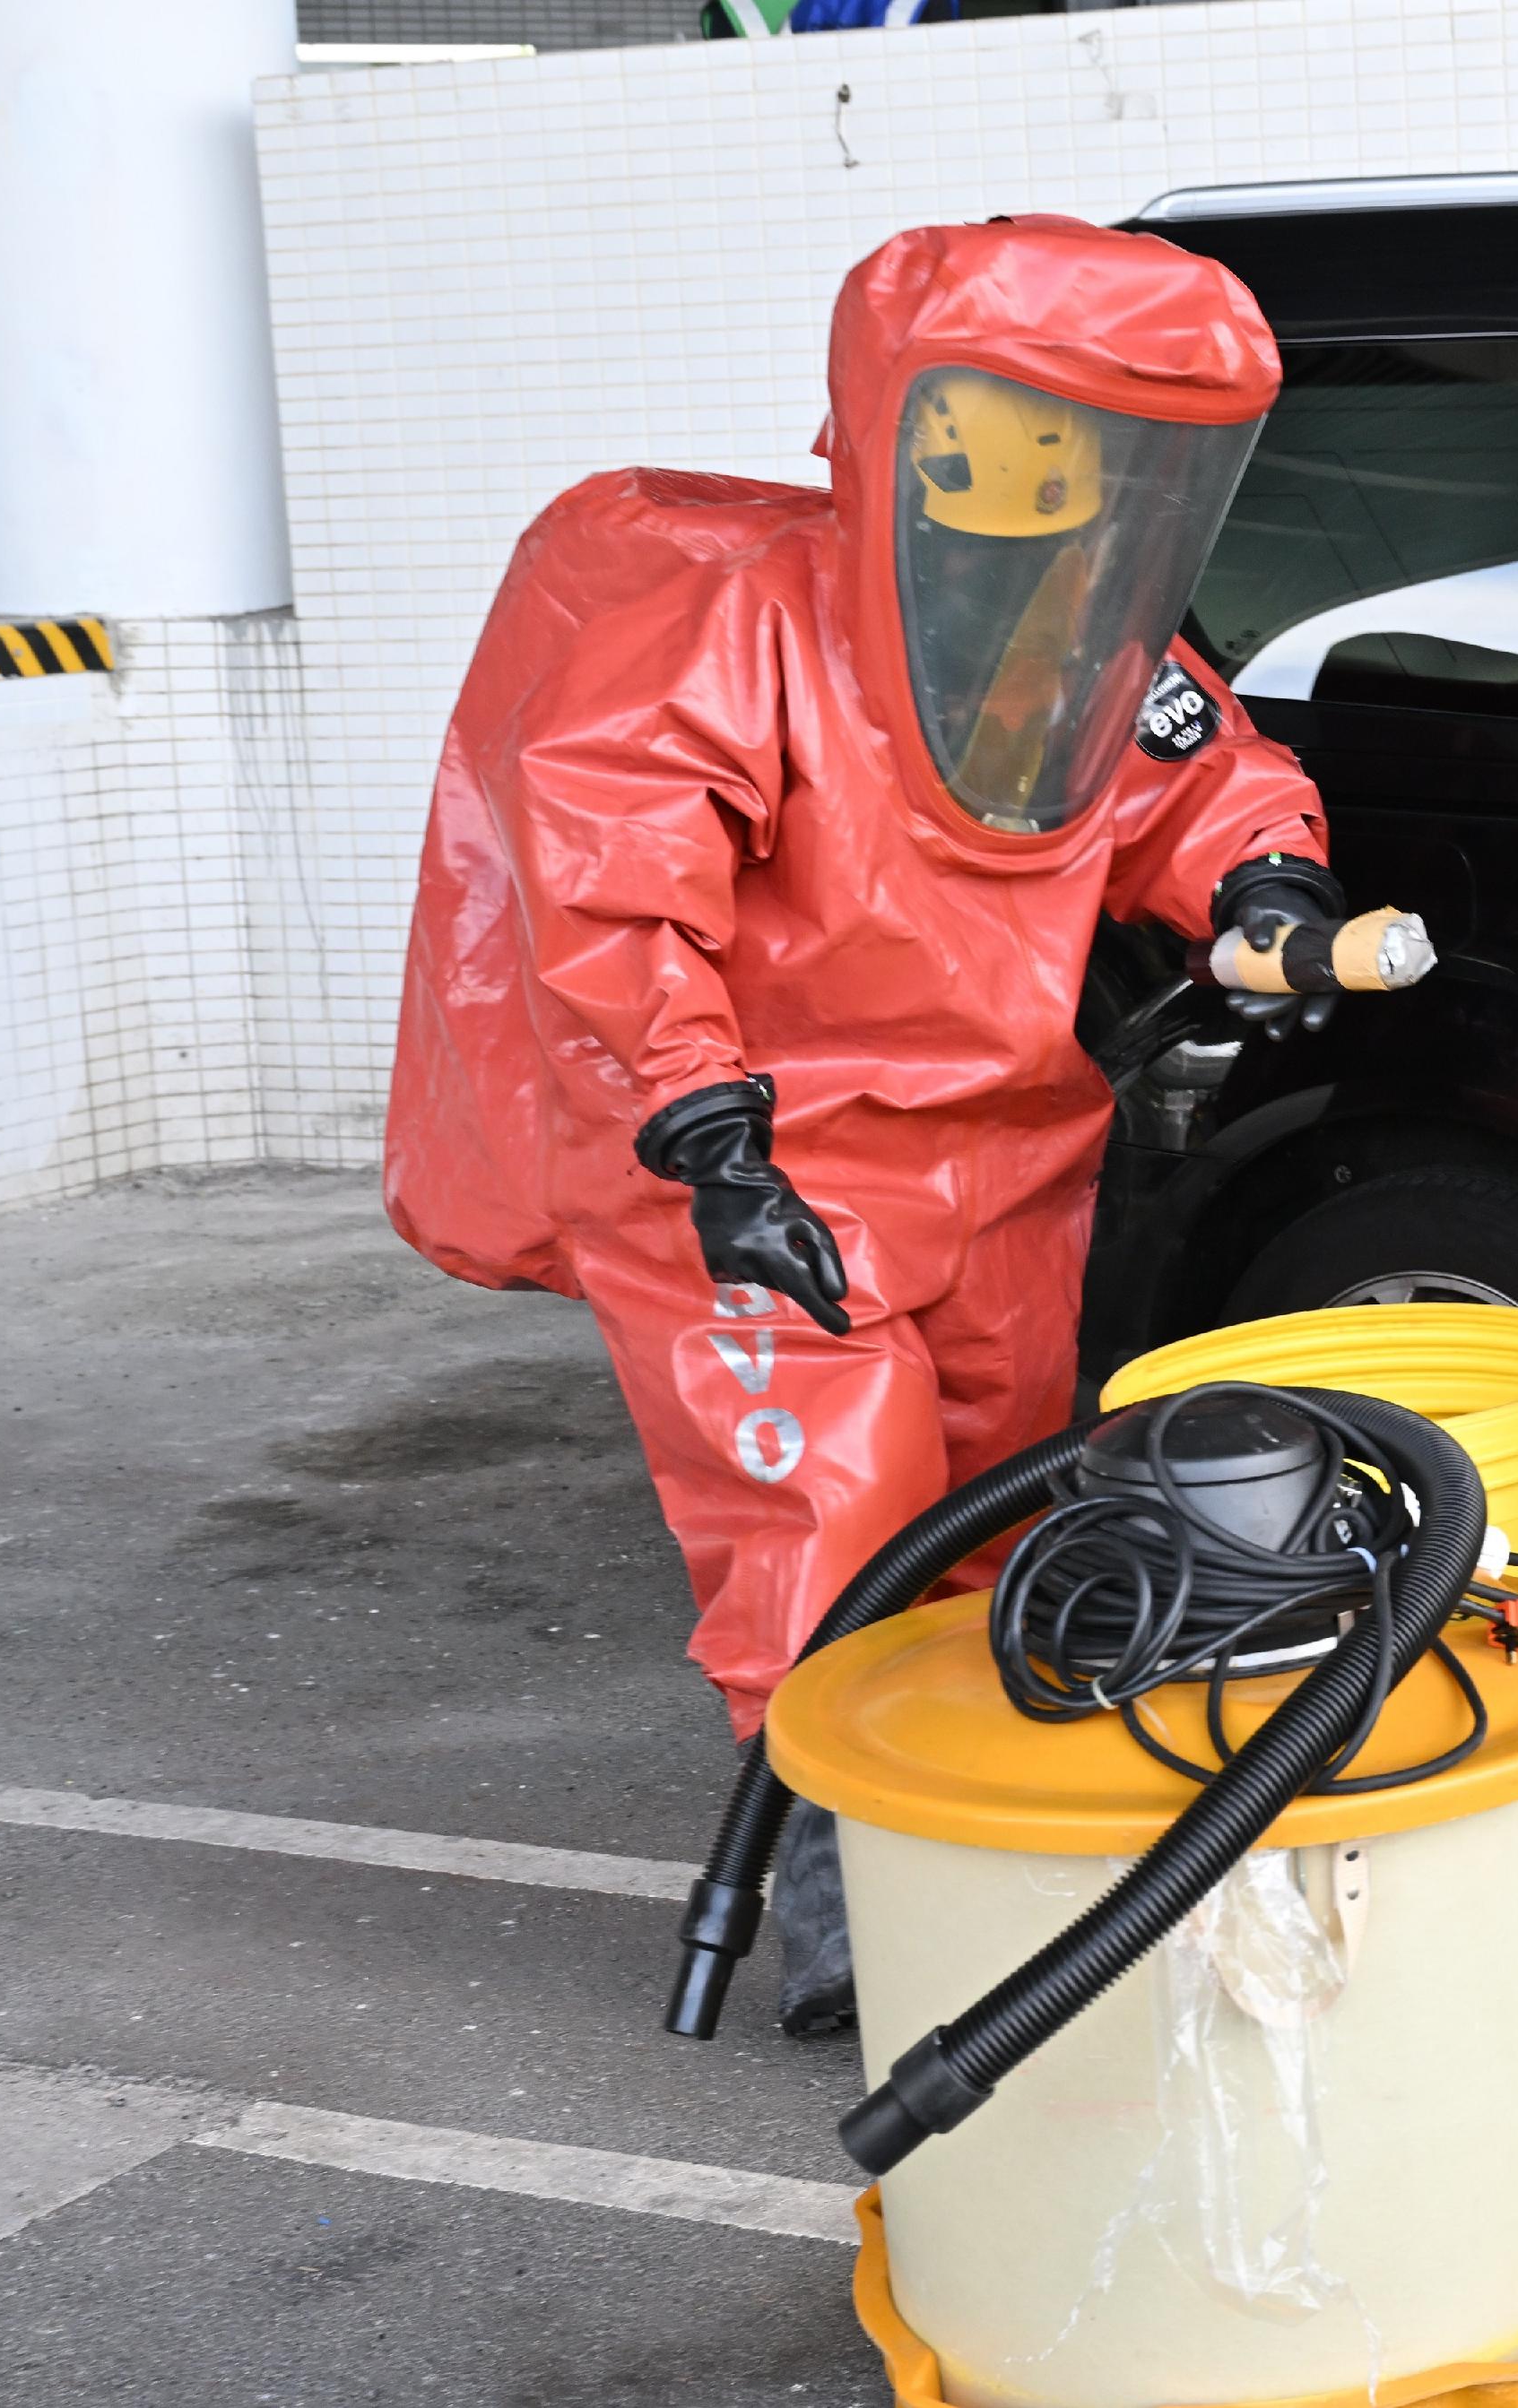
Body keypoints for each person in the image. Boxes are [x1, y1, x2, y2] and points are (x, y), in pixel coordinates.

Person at [385, 215, 1349, 2031]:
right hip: (763, 1161)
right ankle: (844, 1915)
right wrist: (705, 1137)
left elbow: (1201, 782)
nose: (1029, 491)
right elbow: (613, 897)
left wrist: (1268, 888)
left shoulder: (1083, 639)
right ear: (899, 427)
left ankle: (978, 1837)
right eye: (992, 440)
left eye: (1076, 449)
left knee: (988, 1510)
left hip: (999, 1149)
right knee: (827, 1527)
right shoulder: (729, 634)